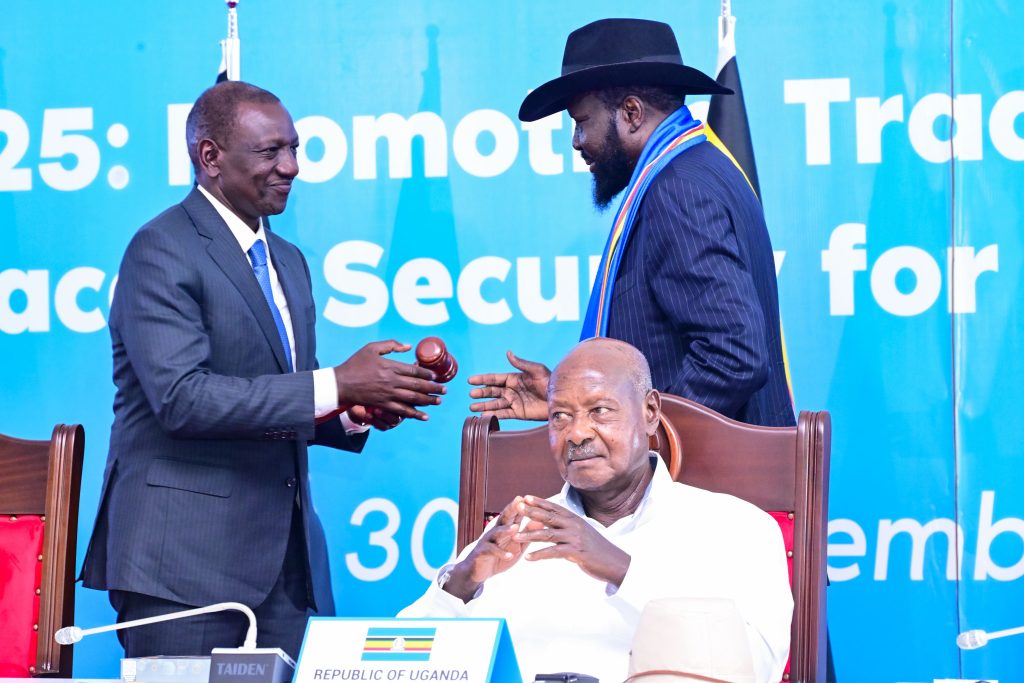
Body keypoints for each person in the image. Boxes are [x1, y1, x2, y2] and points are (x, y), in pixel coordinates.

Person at [80, 81, 447, 658]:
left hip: (285, 573)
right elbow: (182, 399)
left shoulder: (289, 262)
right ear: (210, 157)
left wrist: (352, 412)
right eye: (271, 151)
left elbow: (275, 394)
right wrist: (336, 383)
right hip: (183, 570)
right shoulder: (160, 248)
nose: (292, 167)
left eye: (296, 149)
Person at [401, 338, 792, 683]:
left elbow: (757, 670)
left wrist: (622, 569)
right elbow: (399, 665)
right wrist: (461, 583)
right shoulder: (516, 532)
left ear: (650, 412)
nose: (577, 433)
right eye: (560, 416)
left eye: (600, 410)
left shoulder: (738, 529)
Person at [469, 18, 794, 428]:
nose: (576, 140)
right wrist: (570, 402)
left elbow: (733, 356)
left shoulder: (678, 191)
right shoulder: (702, 167)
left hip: (709, 485)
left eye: (582, 121)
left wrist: (636, 438)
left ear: (631, 112)